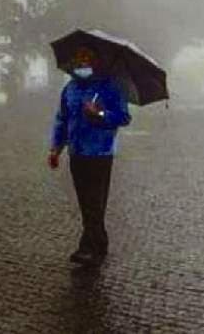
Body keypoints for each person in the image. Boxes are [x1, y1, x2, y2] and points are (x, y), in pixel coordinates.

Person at [48, 47, 132, 267]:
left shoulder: (109, 88)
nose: (82, 65)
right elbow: (62, 120)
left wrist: (100, 114)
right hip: (77, 153)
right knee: (86, 202)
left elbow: (124, 117)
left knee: (95, 202)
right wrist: (56, 148)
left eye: (86, 60)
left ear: (94, 63)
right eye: (78, 60)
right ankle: (99, 242)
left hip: (100, 153)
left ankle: (89, 248)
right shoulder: (70, 89)